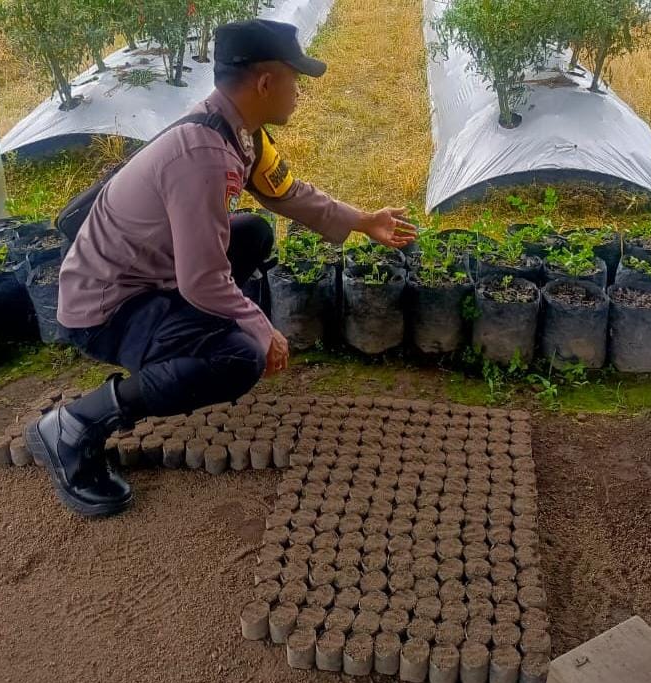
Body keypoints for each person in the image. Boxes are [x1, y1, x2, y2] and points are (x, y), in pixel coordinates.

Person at [25, 19, 416, 517]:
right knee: (239, 358)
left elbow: (286, 191)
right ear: (266, 83)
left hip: (149, 277)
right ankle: (74, 426)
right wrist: (260, 328)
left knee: (252, 232)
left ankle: (187, 344)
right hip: (106, 307)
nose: (299, 92)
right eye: (295, 80)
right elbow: (203, 280)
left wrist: (363, 221)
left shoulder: (235, 129)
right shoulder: (202, 155)